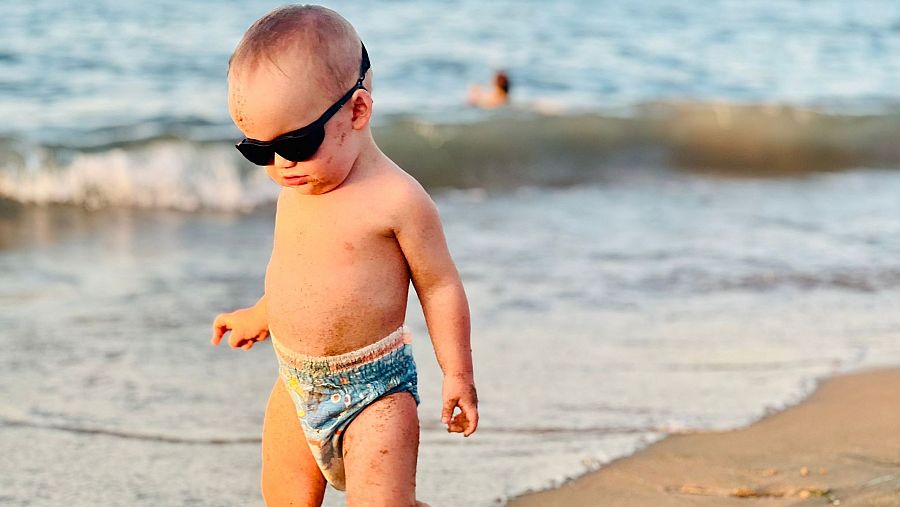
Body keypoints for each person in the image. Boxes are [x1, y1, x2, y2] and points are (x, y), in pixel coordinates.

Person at [210, 5, 478, 506]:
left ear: (356, 111)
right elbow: (299, 274)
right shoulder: (299, 182)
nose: (281, 163)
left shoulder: (397, 199)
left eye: (298, 141)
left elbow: (439, 286)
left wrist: (458, 375)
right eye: (258, 150)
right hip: (294, 385)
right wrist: (261, 313)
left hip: (376, 392)